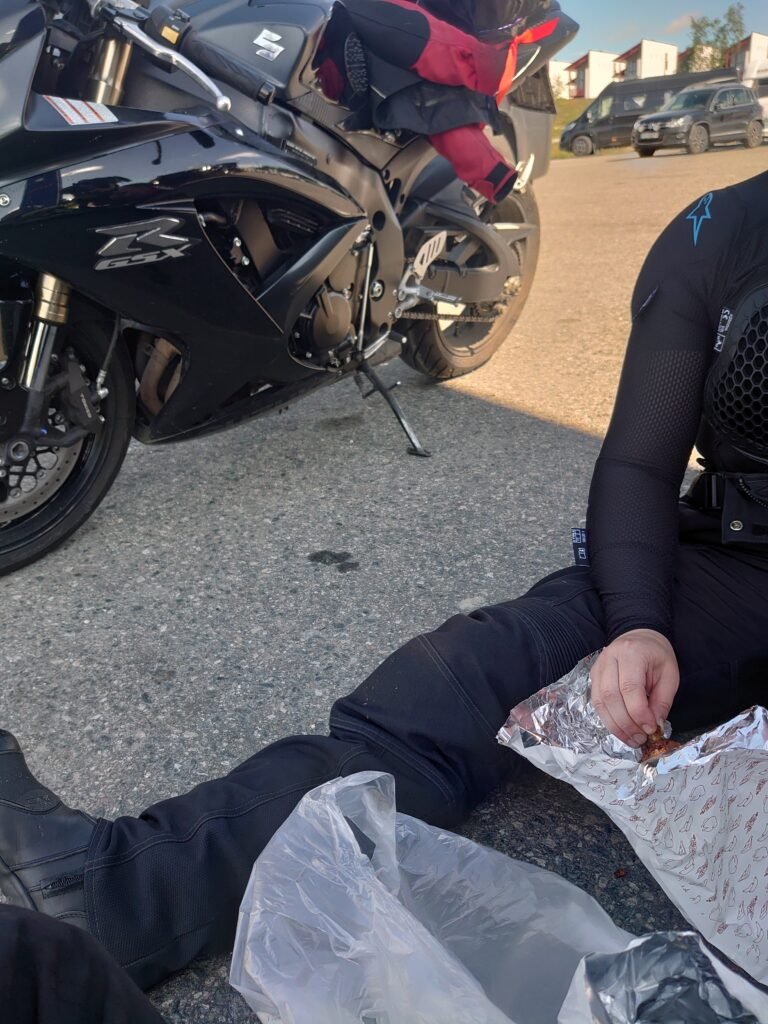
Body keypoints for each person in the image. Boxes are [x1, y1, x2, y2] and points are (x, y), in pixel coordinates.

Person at [2, 168, 768, 1018]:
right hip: (743, 561)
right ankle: (121, 888)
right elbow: (638, 463)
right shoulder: (719, 231)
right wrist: (636, 625)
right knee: (472, 672)